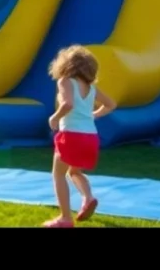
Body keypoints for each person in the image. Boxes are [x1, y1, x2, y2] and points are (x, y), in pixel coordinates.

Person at [43, 45, 117, 228]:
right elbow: (111, 104)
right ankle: (88, 197)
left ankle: (65, 219)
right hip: (90, 137)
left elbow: (68, 104)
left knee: (58, 174)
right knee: (74, 171)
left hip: (71, 135)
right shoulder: (91, 88)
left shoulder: (65, 81)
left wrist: (55, 117)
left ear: (65, 64)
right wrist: (93, 115)